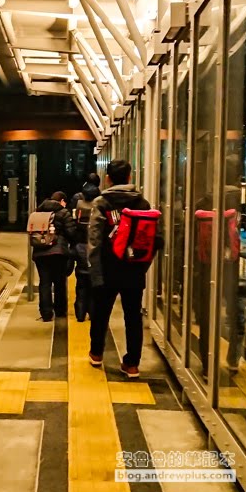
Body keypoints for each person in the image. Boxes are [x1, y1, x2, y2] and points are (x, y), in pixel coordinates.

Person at [87, 159, 161, 377]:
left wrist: (94, 269)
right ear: (129, 177)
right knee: (133, 316)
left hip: (108, 268)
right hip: (134, 269)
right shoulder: (143, 204)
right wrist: (143, 267)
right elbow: (152, 239)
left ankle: (96, 354)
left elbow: (94, 240)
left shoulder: (102, 203)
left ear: (108, 178)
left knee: (101, 313)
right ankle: (132, 364)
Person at [30, 191, 77, 322]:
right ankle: (60, 311)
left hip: (40, 253)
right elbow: (71, 233)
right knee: (59, 282)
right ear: (62, 201)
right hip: (58, 253)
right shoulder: (64, 213)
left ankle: (46, 313)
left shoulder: (38, 212)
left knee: (44, 282)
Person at [72, 178, 100, 321]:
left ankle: (80, 314)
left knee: (81, 286)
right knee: (94, 289)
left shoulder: (78, 204)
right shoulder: (100, 206)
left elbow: (74, 225)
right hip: (95, 250)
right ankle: (93, 313)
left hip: (81, 246)